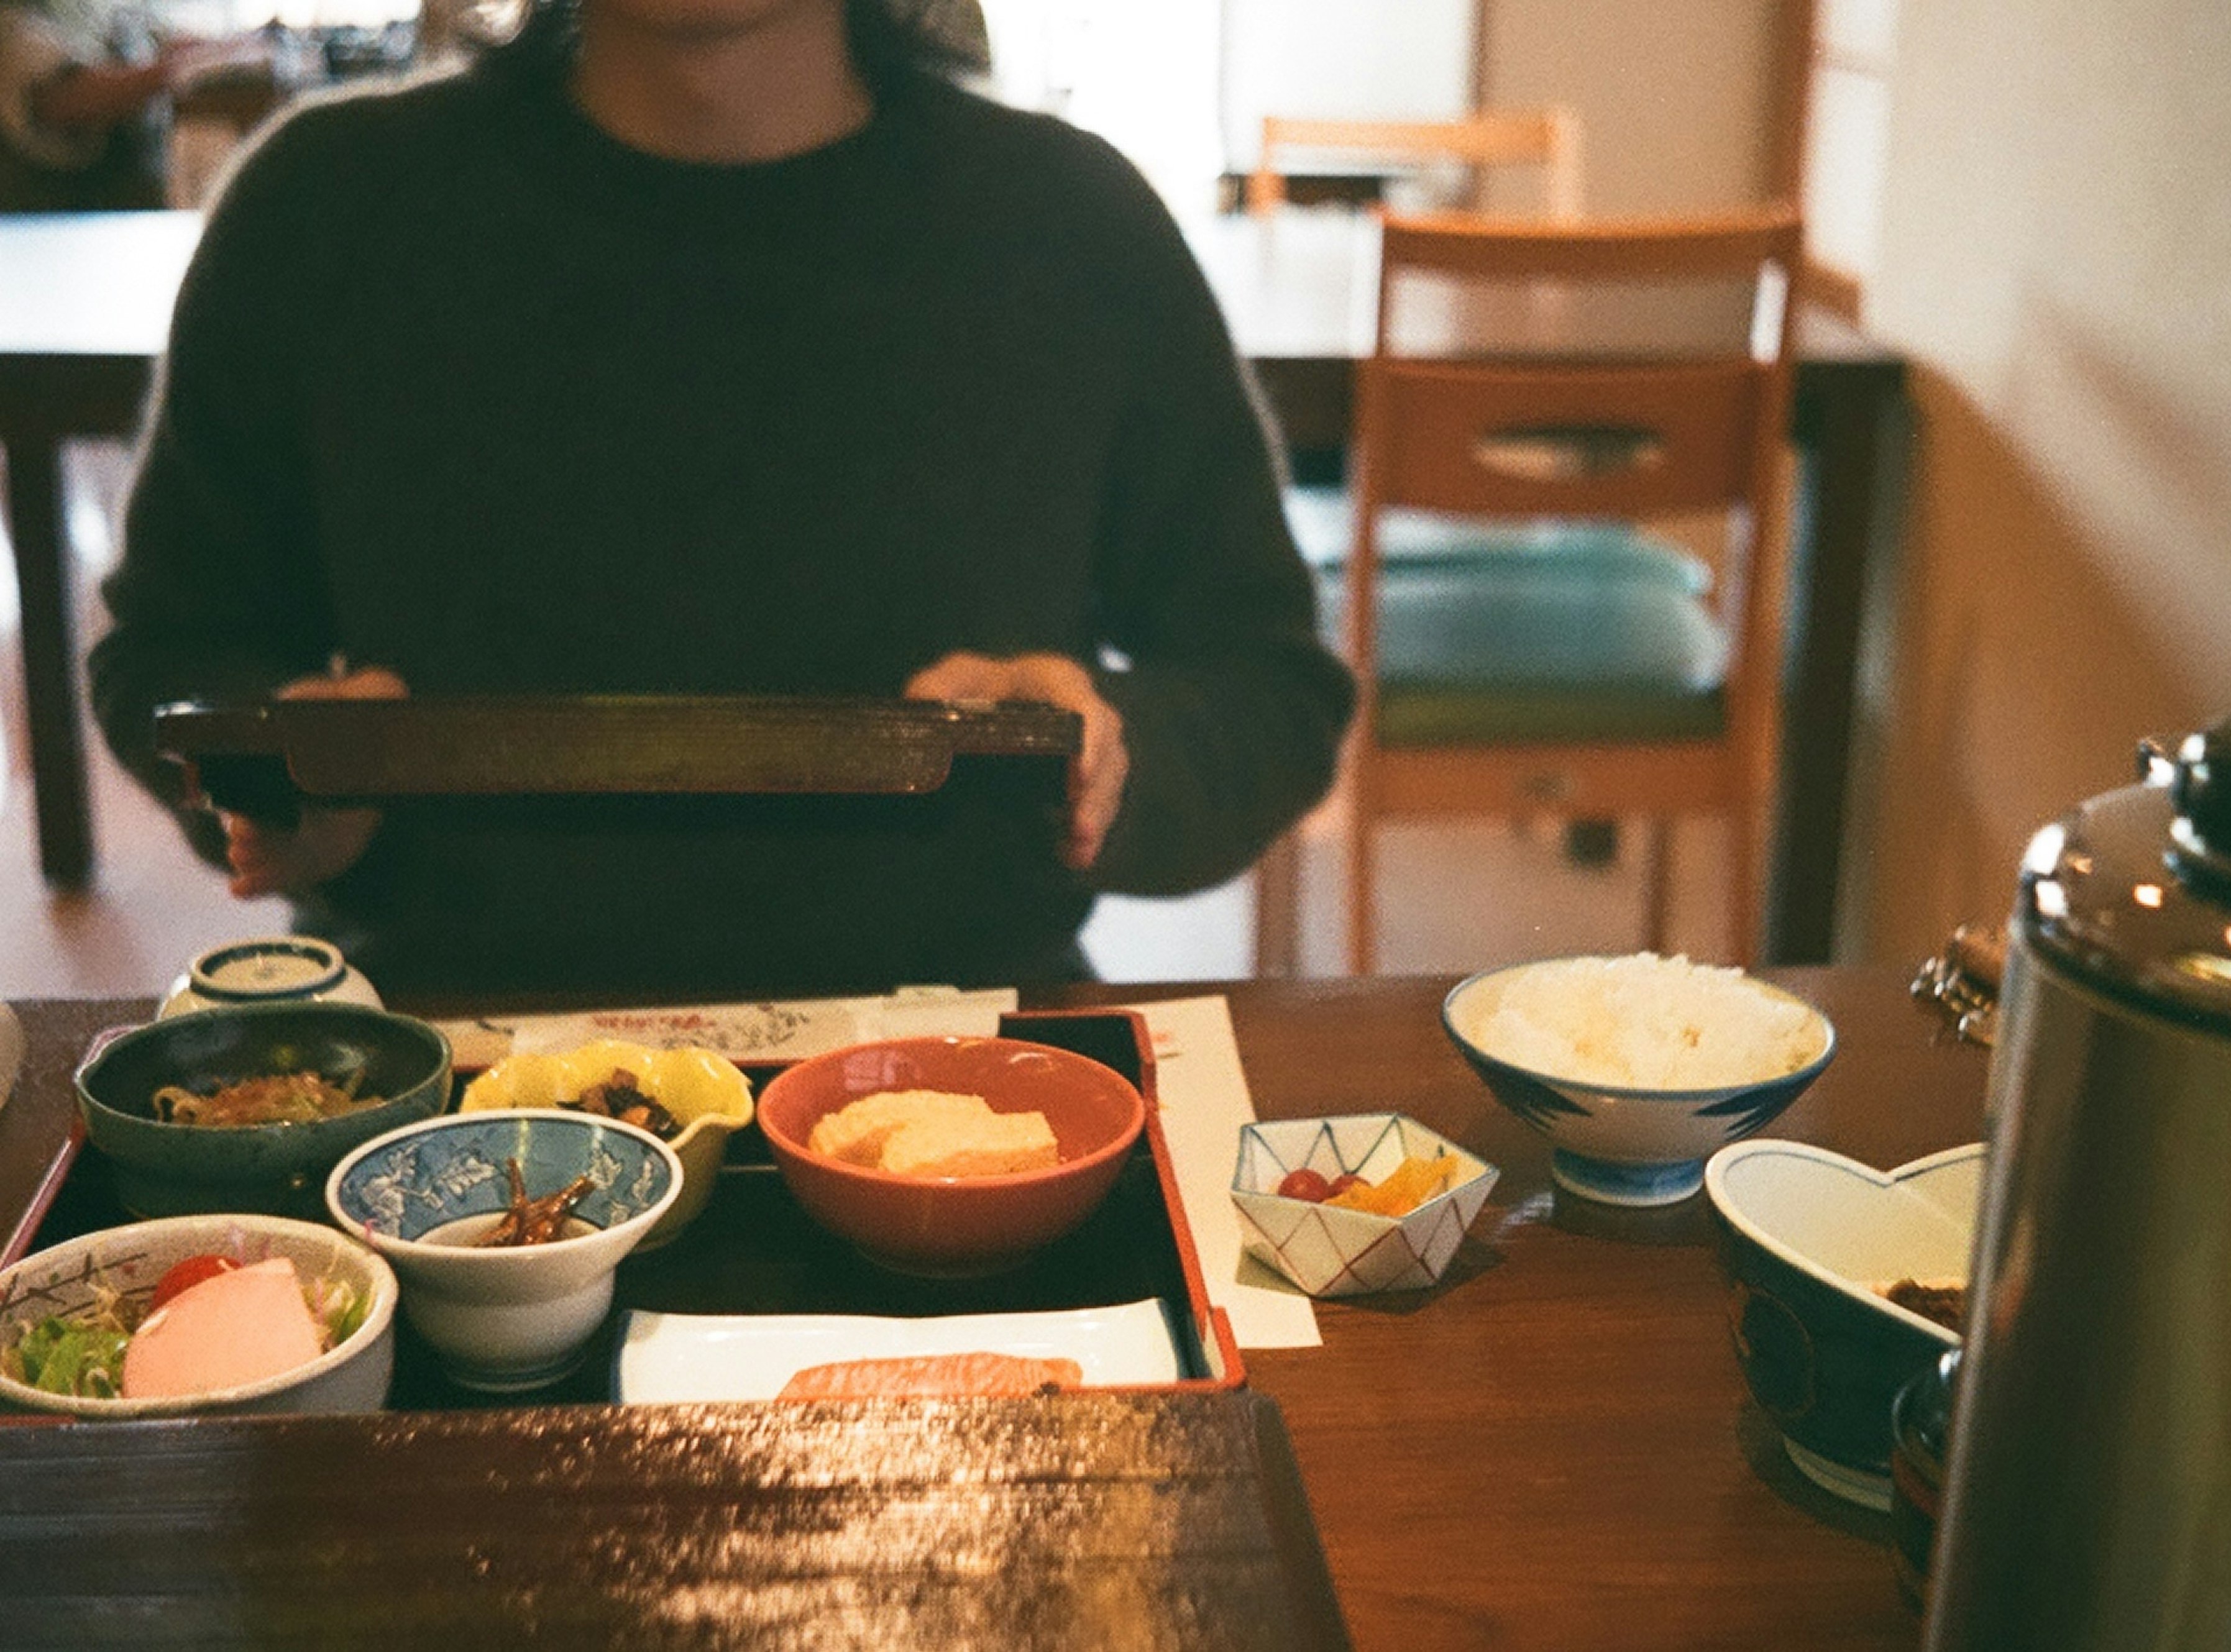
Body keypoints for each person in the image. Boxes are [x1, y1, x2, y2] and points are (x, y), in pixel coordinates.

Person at [89, 0, 1353, 999]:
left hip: (961, 1068)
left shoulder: (1069, 225)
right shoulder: (328, 206)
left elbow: (1269, 686)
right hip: (441, 1062)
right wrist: (279, 781)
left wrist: (1111, 750)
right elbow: (170, 650)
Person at [0, 0, 264, 210]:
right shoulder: (17, 12)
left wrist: (228, 47)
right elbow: (60, 99)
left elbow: (152, 39)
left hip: (121, 203)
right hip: (59, 216)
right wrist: (177, 69)